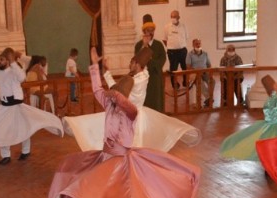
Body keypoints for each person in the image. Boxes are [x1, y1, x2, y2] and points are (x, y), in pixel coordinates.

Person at [48, 48, 200, 198]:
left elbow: (125, 103)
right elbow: (97, 90)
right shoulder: (110, 104)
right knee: (89, 181)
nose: (112, 97)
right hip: (105, 156)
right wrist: (95, 67)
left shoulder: (131, 112)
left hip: (121, 160)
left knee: (123, 194)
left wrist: (118, 92)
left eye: (117, 94)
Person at [63, 47, 201, 153]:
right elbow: (114, 90)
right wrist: (104, 72)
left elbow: (105, 90)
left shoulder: (133, 89)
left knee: (136, 148)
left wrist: (99, 70)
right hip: (125, 124)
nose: (130, 65)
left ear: (136, 64)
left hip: (132, 122)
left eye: (131, 62)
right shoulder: (138, 77)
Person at [0, 48, 63, 165]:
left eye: (2, 60)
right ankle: (5, 156)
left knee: (24, 128)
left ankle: (26, 151)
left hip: (17, 106)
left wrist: (14, 62)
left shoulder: (14, 72)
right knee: (3, 130)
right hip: (5, 107)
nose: (0, 62)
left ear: (8, 61)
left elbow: (22, 77)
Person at [220, 75, 277, 162]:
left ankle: (273, 160)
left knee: (274, 144)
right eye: (276, 84)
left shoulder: (273, 98)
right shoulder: (274, 99)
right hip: (274, 125)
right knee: (276, 143)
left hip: (271, 124)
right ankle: (273, 161)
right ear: (272, 88)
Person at [135, 14, 167, 112]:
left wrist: (150, 61)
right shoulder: (138, 45)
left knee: (156, 103)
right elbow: (138, 62)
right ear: (144, 31)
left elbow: (161, 61)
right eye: (148, 30)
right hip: (143, 80)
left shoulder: (159, 45)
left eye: (152, 30)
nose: (150, 33)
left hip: (155, 78)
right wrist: (145, 46)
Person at [163, 9, 189, 89]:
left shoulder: (183, 26)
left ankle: (185, 82)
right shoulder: (167, 27)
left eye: (174, 16)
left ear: (179, 17)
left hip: (182, 51)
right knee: (173, 69)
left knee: (185, 67)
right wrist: (171, 47)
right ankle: (175, 84)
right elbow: (164, 39)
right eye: (171, 16)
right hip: (172, 52)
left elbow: (186, 37)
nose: (173, 18)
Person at [186, 38, 212, 108]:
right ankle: (208, 98)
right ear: (193, 45)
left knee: (212, 81)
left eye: (199, 43)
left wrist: (208, 72)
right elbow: (188, 66)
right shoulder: (190, 54)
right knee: (200, 82)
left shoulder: (205, 54)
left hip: (204, 72)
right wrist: (196, 71)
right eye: (196, 44)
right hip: (195, 73)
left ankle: (209, 97)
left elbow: (209, 65)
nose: (198, 45)